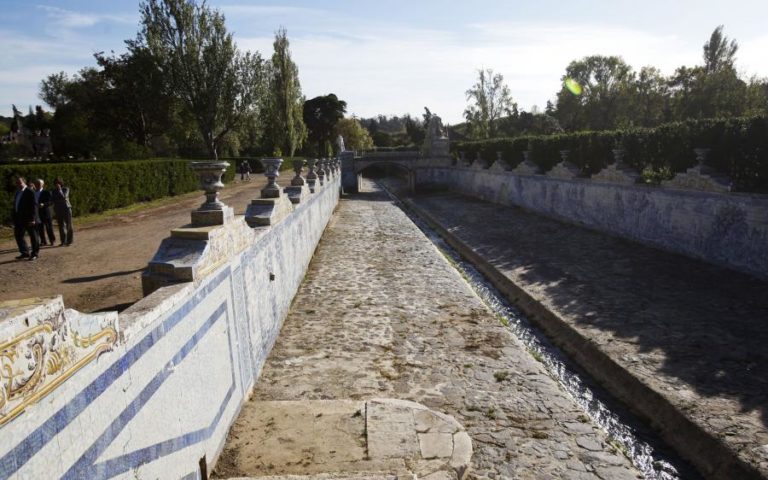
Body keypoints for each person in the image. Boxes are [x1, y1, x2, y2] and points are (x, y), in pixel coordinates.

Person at [12, 176, 40, 260]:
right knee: (18, 235)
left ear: (24, 182)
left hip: (29, 219)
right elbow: (16, 205)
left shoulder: (30, 192)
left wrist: (33, 219)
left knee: (33, 236)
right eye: (17, 183)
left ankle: (34, 253)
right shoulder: (17, 192)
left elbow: (34, 206)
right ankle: (24, 252)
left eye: (20, 182)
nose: (18, 184)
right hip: (19, 219)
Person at [51, 177, 73, 246]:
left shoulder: (66, 189)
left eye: (58, 183)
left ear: (61, 183)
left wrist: (60, 190)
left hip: (67, 209)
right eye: (55, 183)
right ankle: (63, 241)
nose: (56, 185)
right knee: (61, 226)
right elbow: (53, 200)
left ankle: (69, 241)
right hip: (58, 209)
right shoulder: (53, 191)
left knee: (69, 225)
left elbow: (64, 197)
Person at [34, 179, 56, 246]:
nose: (37, 185)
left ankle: (52, 240)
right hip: (37, 212)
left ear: (42, 185)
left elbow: (51, 202)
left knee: (49, 227)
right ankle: (43, 241)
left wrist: (43, 204)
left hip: (46, 212)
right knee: (40, 228)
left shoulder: (46, 192)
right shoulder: (34, 192)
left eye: (39, 183)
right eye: (36, 183)